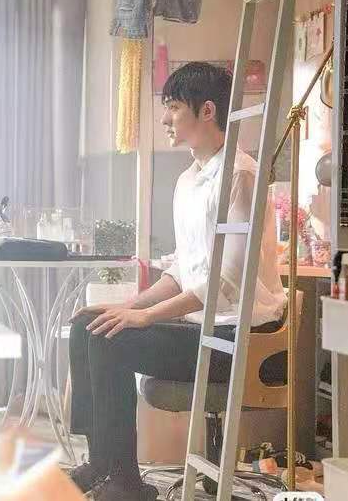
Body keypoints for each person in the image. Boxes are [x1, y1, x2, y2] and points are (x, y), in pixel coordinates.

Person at [67, 62, 288, 500]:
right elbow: (183, 270)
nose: (165, 118)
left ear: (207, 111)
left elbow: (227, 283)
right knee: (88, 325)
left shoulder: (240, 176)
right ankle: (103, 464)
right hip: (203, 329)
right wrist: (129, 307)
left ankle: (125, 482)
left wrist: (147, 317)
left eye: (172, 107)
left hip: (240, 338)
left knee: (111, 340)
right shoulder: (188, 180)